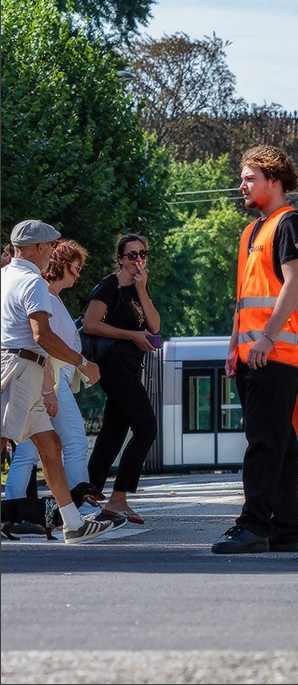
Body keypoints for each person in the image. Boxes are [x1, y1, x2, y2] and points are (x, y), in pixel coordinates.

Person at [212, 146, 298, 554]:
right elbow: (246, 297)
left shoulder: (290, 224)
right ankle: (286, 529)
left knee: (263, 442)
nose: (242, 185)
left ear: (274, 181)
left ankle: (254, 525)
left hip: (276, 353)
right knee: (281, 444)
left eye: (249, 177)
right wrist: (233, 345)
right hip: (254, 353)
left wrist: (268, 337)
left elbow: (295, 284)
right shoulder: (254, 231)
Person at [1, 220, 113, 543]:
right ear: (38, 248)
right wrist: (83, 362)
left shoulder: (6, 275)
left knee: (51, 446)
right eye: (49, 246)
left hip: (25, 369)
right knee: (4, 441)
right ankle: (72, 520)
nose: (51, 252)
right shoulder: (33, 282)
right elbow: (42, 336)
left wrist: (47, 384)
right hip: (20, 368)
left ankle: (72, 522)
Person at [6, 240, 97, 514]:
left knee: (28, 450)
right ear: (61, 264)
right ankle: (82, 508)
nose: (78, 275)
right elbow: (43, 342)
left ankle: (13, 509)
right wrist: (52, 389)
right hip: (51, 381)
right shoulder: (44, 293)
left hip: (44, 379)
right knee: (74, 442)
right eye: (75, 268)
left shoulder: (51, 296)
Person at [83, 233, 161, 525]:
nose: (138, 260)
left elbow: (154, 325)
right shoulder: (109, 285)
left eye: (143, 254)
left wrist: (142, 289)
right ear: (120, 259)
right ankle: (118, 498)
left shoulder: (137, 288)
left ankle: (87, 490)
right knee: (146, 428)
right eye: (132, 255)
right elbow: (90, 324)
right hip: (114, 366)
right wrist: (131, 335)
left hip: (131, 367)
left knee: (114, 430)